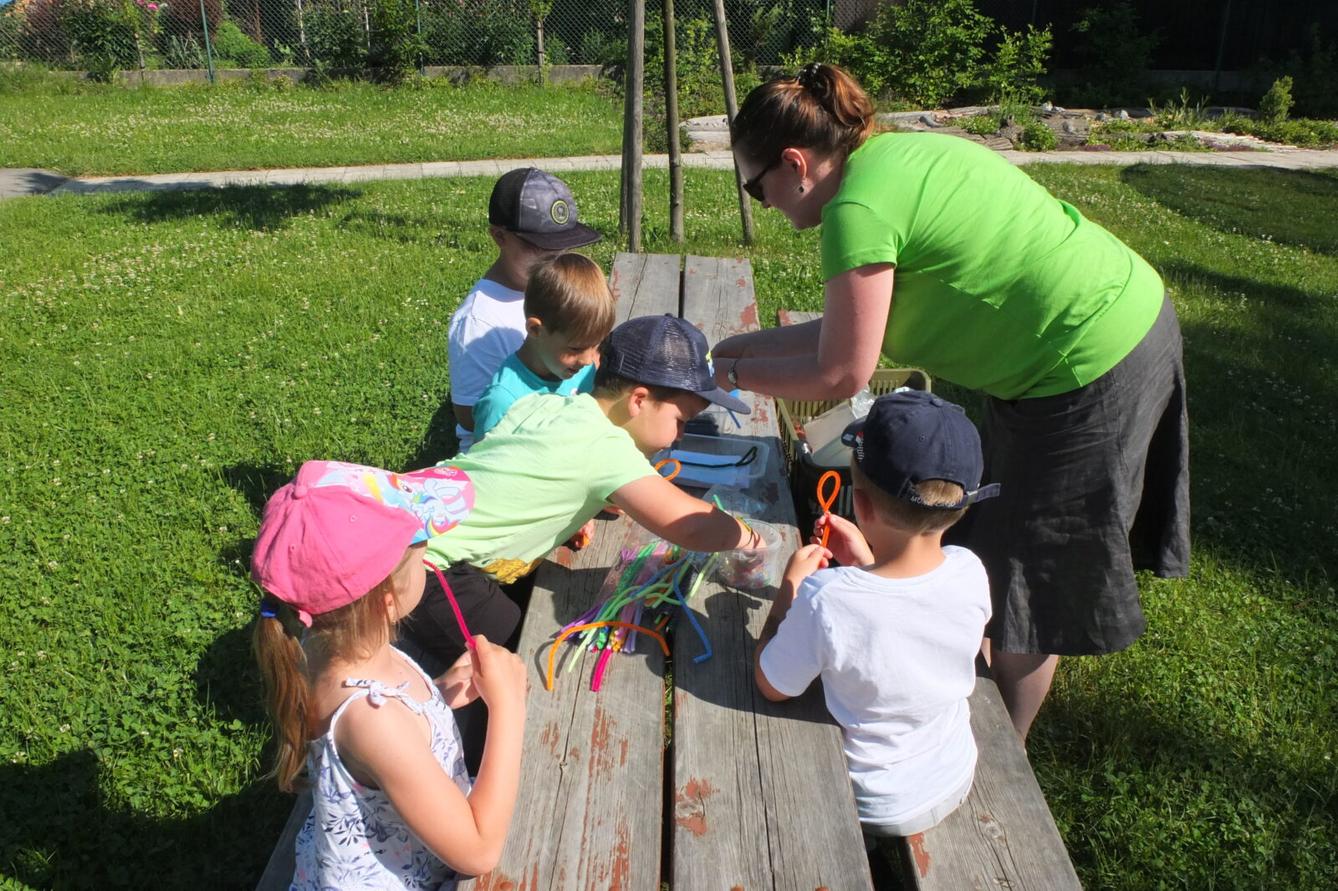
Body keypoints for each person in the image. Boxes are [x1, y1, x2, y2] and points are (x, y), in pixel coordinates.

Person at [715, 62, 1189, 743]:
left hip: (1089, 361)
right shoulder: (882, 160)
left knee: (1027, 588)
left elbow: (844, 372)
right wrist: (737, 352)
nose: (761, 203)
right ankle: (961, 696)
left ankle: (1005, 759)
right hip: (1098, 326)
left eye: (756, 188)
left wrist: (737, 375)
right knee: (994, 549)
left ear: (793, 164)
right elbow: (849, 333)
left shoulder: (855, 209)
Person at [403, 314, 762, 671]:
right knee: (509, 652)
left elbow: (518, 466)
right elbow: (691, 526)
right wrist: (750, 538)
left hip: (413, 518)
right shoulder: (607, 448)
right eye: (680, 421)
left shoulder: (550, 404)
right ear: (638, 400)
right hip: (423, 569)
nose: (679, 437)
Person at [250, 460, 527, 886]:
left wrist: (440, 694)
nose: (430, 564)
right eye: (422, 556)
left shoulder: (323, 648)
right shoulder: (373, 721)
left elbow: (389, 729)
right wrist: (510, 707)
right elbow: (478, 850)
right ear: (386, 599)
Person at [755, 390, 996, 837]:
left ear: (859, 505)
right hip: (955, 770)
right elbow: (905, 611)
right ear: (960, 509)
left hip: (877, 801)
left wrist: (790, 587)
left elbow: (772, 686)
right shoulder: (970, 570)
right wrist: (867, 561)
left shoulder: (826, 599)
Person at [448, 167, 601, 452]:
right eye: (543, 251)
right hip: (508, 447)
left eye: (563, 250)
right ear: (499, 237)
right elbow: (469, 416)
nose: (555, 262)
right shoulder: (480, 320)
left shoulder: (556, 289)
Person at [471, 253, 615, 443]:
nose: (588, 360)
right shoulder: (504, 401)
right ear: (535, 329)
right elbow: (485, 464)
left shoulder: (582, 370)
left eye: (595, 345)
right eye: (575, 349)